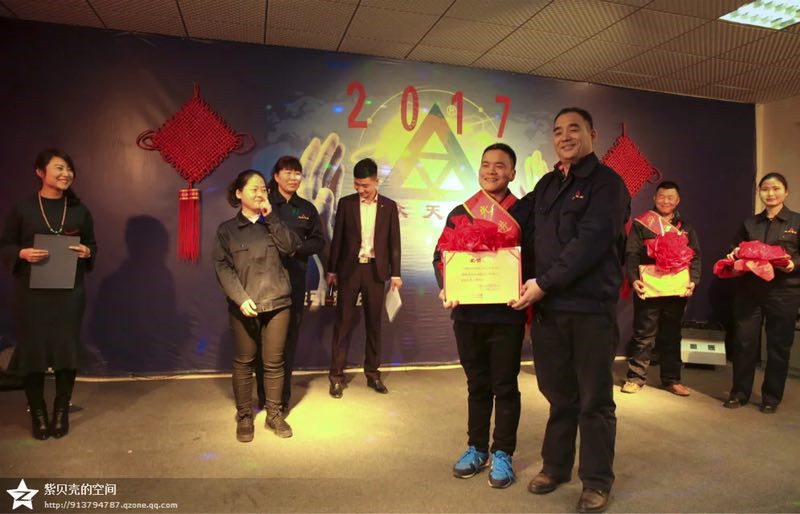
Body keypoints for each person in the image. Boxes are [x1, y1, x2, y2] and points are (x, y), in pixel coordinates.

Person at [512, 107, 630, 513]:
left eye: (574, 129)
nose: (564, 137)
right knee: (559, 394)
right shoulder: (547, 185)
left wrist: (543, 284)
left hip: (589, 309)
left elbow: (589, 243)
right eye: (558, 130)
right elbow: (514, 225)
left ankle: (596, 480)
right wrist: (471, 227)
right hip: (550, 310)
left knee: (594, 399)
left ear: (592, 134)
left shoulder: (608, 184)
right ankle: (556, 467)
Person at [433, 143, 532, 489]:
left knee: (504, 385)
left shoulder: (525, 213)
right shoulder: (460, 212)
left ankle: (502, 452)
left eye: (500, 166)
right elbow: (441, 256)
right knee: (476, 384)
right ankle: (476, 448)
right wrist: (445, 285)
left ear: (512, 173)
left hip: (508, 314)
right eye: (486, 164)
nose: (492, 171)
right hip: (468, 315)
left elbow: (535, 259)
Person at [0, 148, 96, 440]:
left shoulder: (79, 210)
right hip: (31, 294)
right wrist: (22, 253)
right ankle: (39, 413)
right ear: (40, 172)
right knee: (33, 354)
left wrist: (87, 251)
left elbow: (92, 244)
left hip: (69, 293)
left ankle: (60, 410)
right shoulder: (23, 209)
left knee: (67, 352)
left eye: (69, 169)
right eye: (59, 168)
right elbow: (5, 245)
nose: (66, 174)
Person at [213, 169, 302, 441]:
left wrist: (271, 217)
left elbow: (291, 247)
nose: (260, 193)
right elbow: (223, 267)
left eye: (264, 188)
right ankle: (244, 416)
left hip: (278, 302)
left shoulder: (274, 222)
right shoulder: (227, 230)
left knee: (274, 363)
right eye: (254, 189)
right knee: (244, 362)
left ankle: (274, 414)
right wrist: (241, 299)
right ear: (239, 193)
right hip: (245, 306)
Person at [723, 172, 800, 414]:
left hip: (784, 292)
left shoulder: (796, 222)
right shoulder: (750, 224)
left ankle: (771, 397)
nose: (770, 193)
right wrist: (734, 255)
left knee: (778, 346)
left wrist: (794, 263)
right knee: (744, 342)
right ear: (759, 192)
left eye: (776, 188)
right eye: (765, 189)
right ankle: (739, 393)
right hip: (750, 291)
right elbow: (735, 249)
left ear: (786, 192)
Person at [326, 158, 402, 398]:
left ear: (377, 181)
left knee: (374, 324)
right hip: (350, 271)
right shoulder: (346, 203)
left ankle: (373, 374)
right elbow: (337, 239)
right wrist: (332, 270)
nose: (361, 190)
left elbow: (394, 242)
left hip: (375, 271)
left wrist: (396, 273)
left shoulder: (389, 206)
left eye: (365, 185)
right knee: (343, 323)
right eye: (357, 185)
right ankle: (336, 377)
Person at [254, 156, 324, 412]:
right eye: (288, 172)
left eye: (297, 173)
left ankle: (281, 399)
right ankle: (263, 396)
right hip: (262, 283)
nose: (293, 178)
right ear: (276, 176)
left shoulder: (306, 208)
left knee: (288, 340)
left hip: (294, 282)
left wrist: (296, 249)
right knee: (263, 341)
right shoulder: (262, 204)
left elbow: (318, 242)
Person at [622, 181, 701, 396]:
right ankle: (635, 378)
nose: (665, 201)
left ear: (678, 200)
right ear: (654, 198)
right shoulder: (642, 224)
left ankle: (671, 379)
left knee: (672, 335)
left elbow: (695, 256)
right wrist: (633, 279)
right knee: (643, 334)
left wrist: (693, 280)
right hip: (649, 286)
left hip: (676, 288)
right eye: (661, 196)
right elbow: (631, 253)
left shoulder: (686, 227)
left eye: (670, 197)